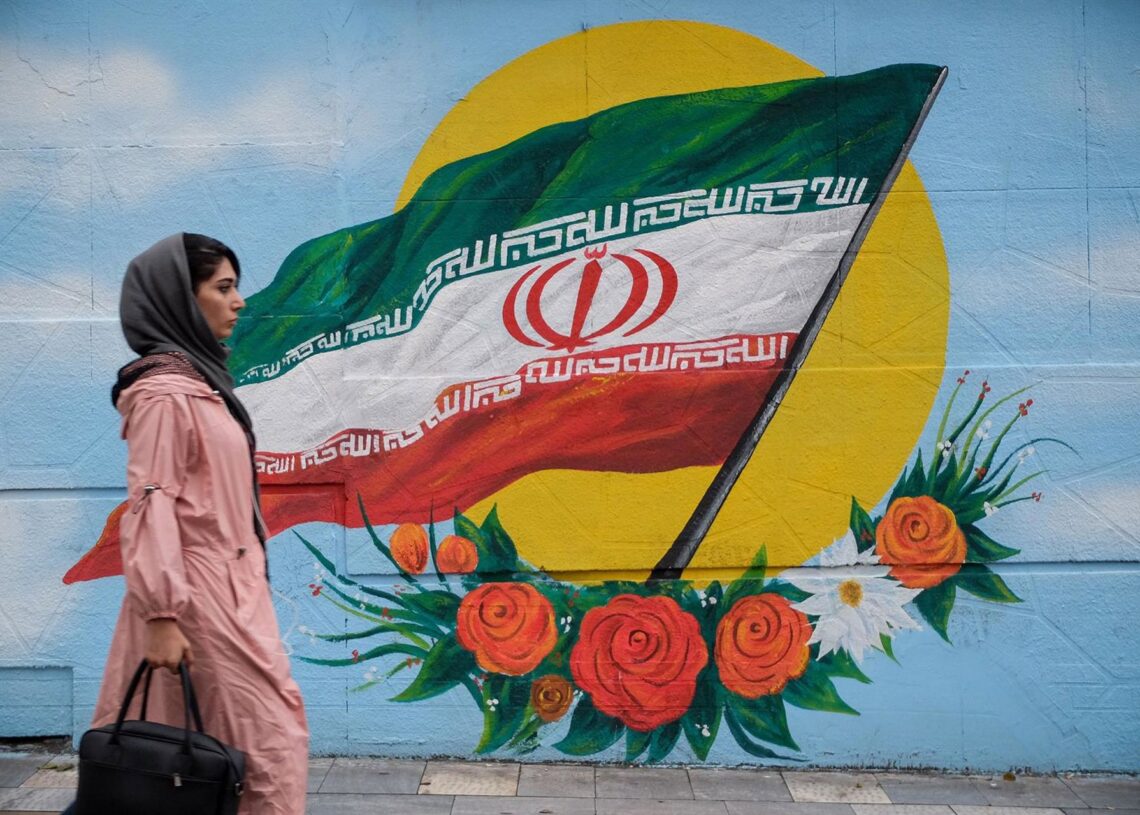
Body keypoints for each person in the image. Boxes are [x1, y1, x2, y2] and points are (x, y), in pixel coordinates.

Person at [73, 233, 308, 814]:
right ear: (181, 298)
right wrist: (161, 613)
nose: (239, 301)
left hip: (229, 589)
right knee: (267, 741)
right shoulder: (164, 395)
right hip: (196, 596)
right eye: (223, 288)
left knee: (227, 747)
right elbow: (150, 501)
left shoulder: (199, 384)